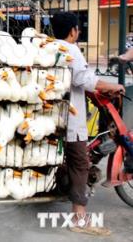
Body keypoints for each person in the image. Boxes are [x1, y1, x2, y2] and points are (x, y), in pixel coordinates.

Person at [51, 12, 125, 236]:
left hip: (52, 115)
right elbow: (84, 79)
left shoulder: (49, 47)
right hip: (69, 117)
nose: (78, 32)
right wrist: (114, 87)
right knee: (80, 163)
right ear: (73, 30)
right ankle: (79, 217)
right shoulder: (70, 49)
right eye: (78, 29)